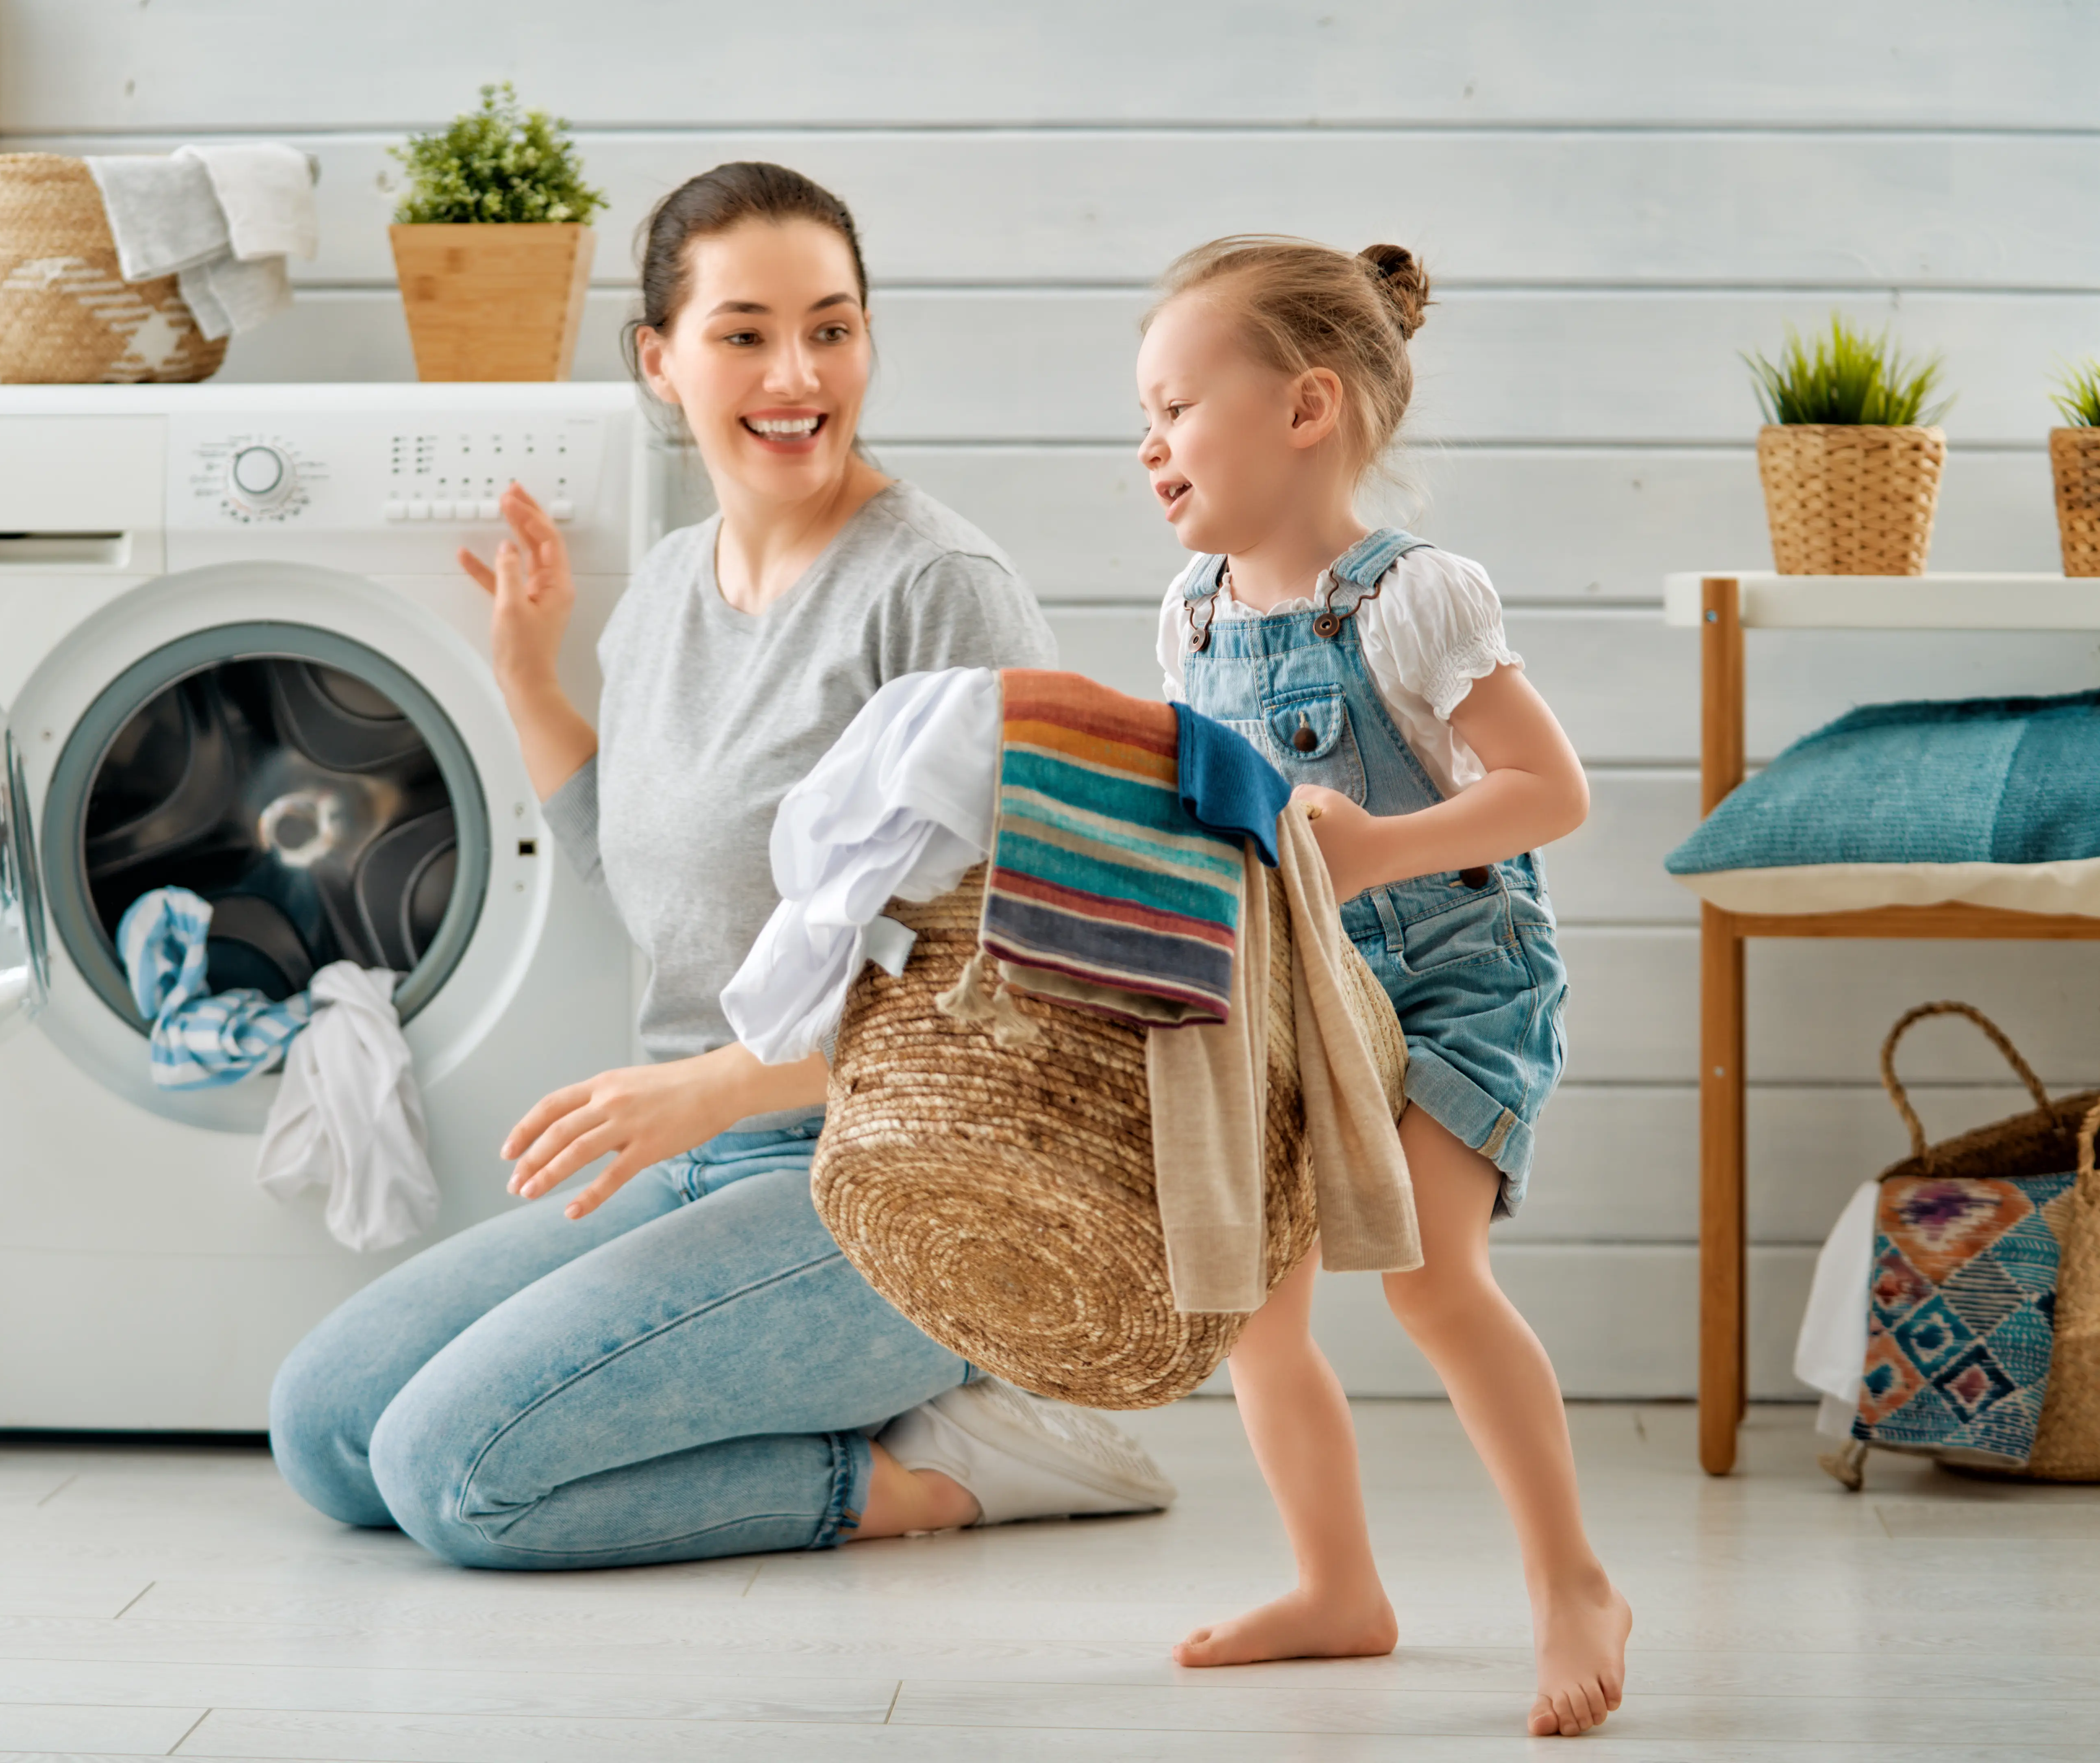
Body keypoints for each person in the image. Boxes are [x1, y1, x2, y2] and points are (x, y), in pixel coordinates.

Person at [269, 163, 1173, 1569]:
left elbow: (1045, 983)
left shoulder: (936, 591)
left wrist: (716, 1086)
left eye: (831, 326)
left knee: (451, 1478)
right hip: (710, 1161)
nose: (796, 373)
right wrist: (523, 669)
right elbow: (644, 871)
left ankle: (955, 1466)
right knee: (325, 1428)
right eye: (743, 332)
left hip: (910, 1180)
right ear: (660, 360)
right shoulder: (670, 592)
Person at [1135, 235, 1630, 1736]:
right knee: (1255, 1313)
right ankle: (1337, 1589)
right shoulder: (1196, 617)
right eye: (1141, 421)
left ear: (1305, 409)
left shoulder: (1411, 597)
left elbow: (1551, 794)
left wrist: (1376, 851)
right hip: (1290, 996)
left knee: (1428, 1278)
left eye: (1173, 407)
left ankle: (1569, 1584)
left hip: (1452, 979)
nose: (1148, 447)